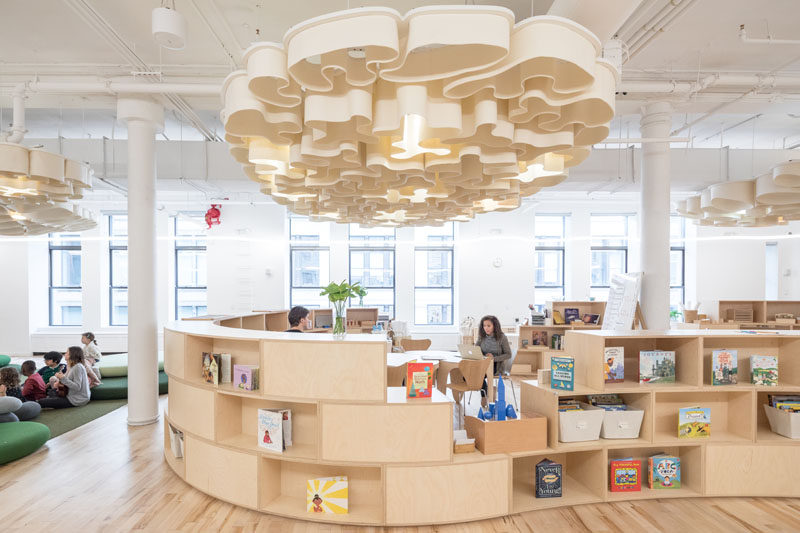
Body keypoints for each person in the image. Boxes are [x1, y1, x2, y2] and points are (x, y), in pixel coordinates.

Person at [475, 315, 512, 405]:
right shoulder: (481, 337)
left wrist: (493, 358)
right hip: (483, 363)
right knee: (470, 372)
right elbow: (476, 350)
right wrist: (483, 356)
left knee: (479, 373)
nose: (486, 328)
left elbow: (508, 354)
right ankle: (488, 391)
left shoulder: (502, 337)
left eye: (488, 326)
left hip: (496, 365)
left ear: (494, 326)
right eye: (484, 326)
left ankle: (484, 395)